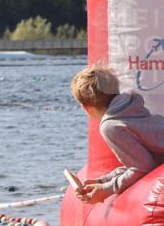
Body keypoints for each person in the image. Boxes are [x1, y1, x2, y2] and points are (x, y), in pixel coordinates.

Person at [70, 64, 164, 203]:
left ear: (86, 108)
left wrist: (105, 190)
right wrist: (102, 181)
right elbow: (145, 160)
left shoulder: (111, 126)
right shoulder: (130, 108)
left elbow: (143, 167)